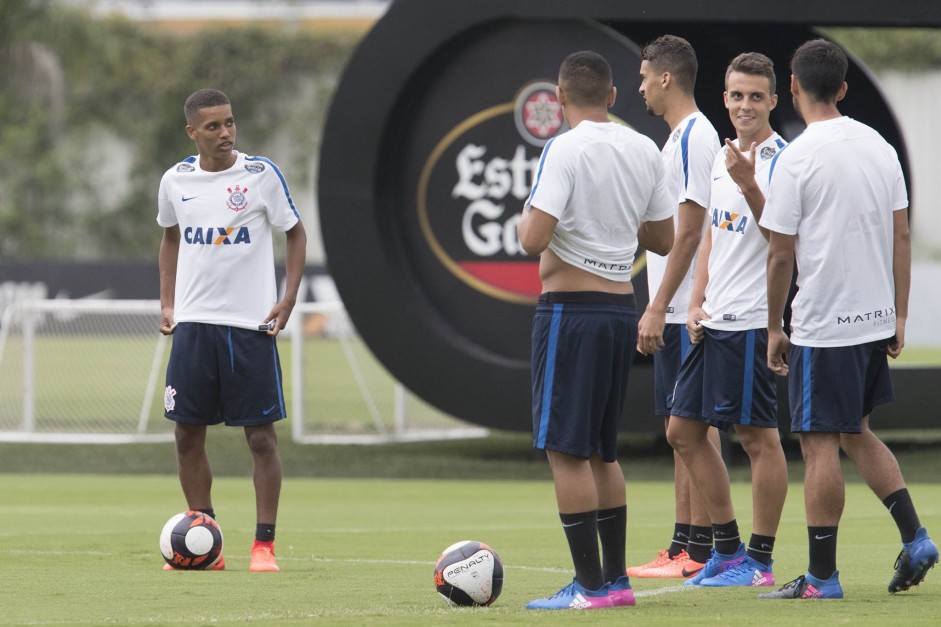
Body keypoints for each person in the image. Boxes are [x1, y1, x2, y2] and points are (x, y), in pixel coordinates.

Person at [758, 39, 938, 600]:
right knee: (856, 430)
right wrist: (900, 313)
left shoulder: (796, 156)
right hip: (873, 318)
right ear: (842, 88)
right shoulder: (880, 146)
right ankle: (916, 538)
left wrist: (772, 325)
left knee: (818, 443)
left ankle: (821, 577)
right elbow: (901, 234)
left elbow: (780, 253)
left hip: (824, 323)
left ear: (791, 85)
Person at [517, 50, 674, 610]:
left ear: (559, 98)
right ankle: (616, 583)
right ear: (612, 96)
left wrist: (525, 218)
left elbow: (533, 240)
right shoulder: (641, 146)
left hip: (570, 312)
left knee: (566, 451)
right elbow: (662, 238)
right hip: (618, 311)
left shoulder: (563, 147)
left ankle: (588, 586)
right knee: (604, 453)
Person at [157, 88, 307, 573]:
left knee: (260, 438)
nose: (225, 134)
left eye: (230, 123)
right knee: (186, 435)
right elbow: (170, 237)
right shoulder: (175, 181)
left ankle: (264, 545)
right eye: (214, 127)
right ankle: (206, 542)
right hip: (194, 325)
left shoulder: (260, 175)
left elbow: (295, 232)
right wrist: (167, 303)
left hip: (249, 326)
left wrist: (288, 297)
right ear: (192, 132)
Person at [665, 52, 788, 588]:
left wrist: (750, 184)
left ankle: (758, 563)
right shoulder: (720, 155)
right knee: (683, 432)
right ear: (724, 98)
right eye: (737, 95)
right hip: (712, 318)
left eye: (756, 96)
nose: (745, 105)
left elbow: (785, 242)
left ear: (773, 102)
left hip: (751, 319)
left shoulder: (783, 160)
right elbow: (711, 233)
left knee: (757, 437)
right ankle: (729, 549)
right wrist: (695, 300)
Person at [628, 34, 723, 580]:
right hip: (681, 306)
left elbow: (689, 234)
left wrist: (659, 305)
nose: (640, 87)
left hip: (689, 309)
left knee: (692, 428)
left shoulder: (693, 139)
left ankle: (701, 546)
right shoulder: (679, 140)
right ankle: (688, 545)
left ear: (666, 78)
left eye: (644, 77)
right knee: (680, 425)